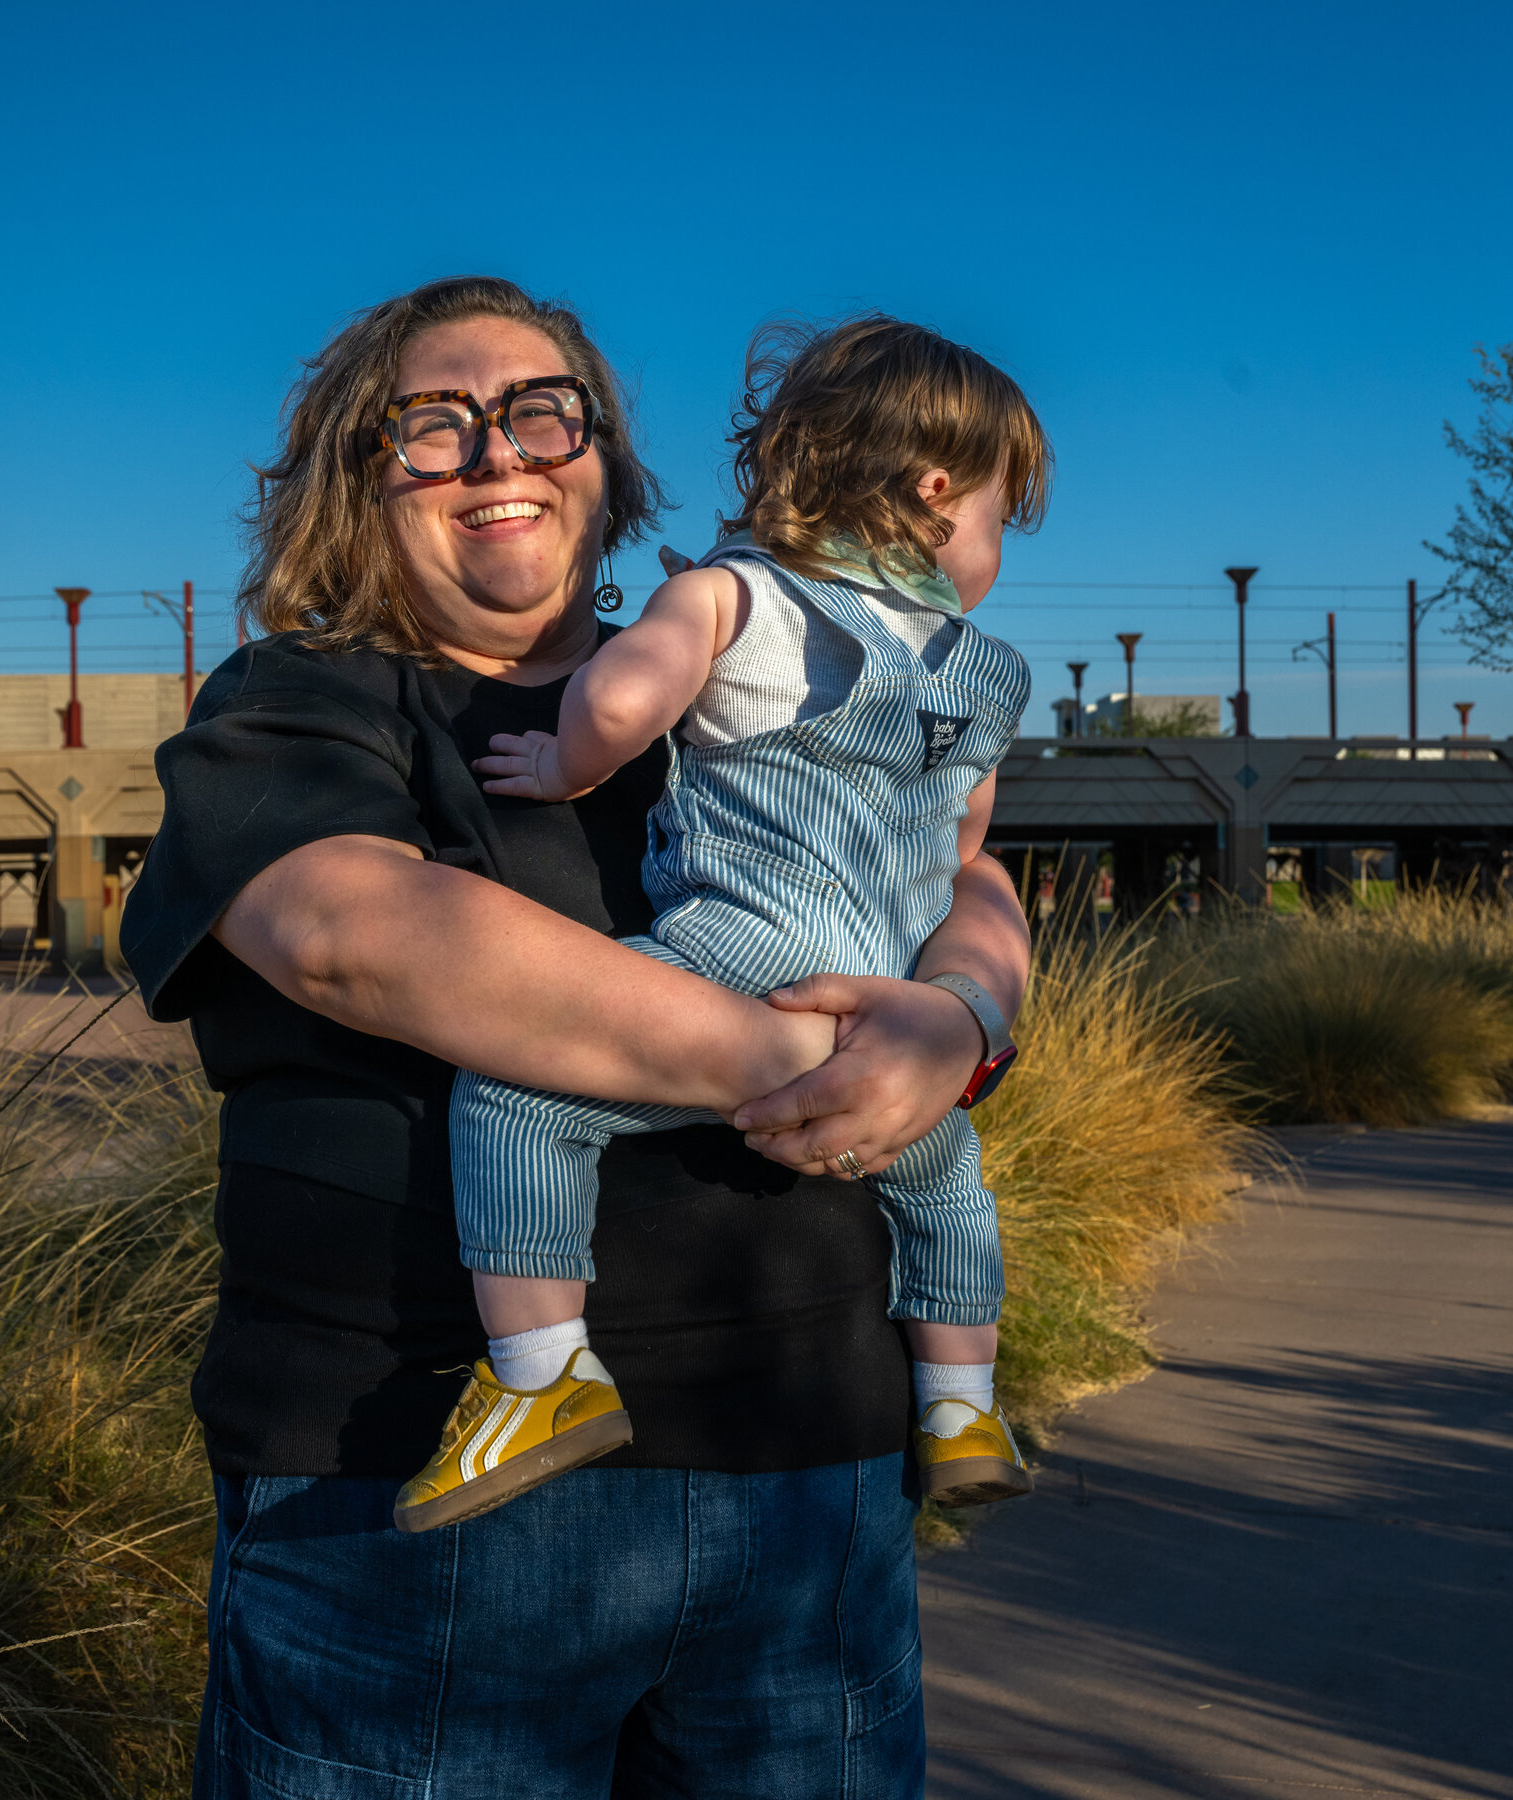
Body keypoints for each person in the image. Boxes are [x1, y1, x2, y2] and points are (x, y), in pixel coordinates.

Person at [121, 276, 1032, 1798]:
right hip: (414, 1509)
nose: (500, 455)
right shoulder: (299, 705)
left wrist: (958, 1017)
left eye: (544, 413)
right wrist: (822, 1074)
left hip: (809, 1476)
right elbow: (353, 932)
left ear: (604, 459)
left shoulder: (738, 675)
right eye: (435, 426)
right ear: (358, 478)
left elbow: (971, 868)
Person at [396, 317, 1049, 1537]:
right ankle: (962, 1400)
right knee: (943, 1168)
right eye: (1000, 519)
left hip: (747, 941)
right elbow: (969, 842)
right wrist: (936, 990)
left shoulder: (731, 593)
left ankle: (541, 1376)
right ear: (936, 491)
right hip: (885, 980)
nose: (995, 548)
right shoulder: (989, 671)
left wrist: (564, 759)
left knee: (520, 1096)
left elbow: (629, 696)